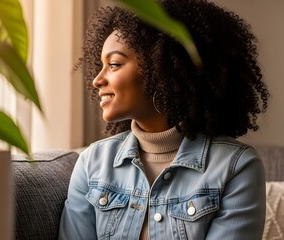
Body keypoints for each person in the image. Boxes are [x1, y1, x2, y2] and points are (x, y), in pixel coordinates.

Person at [59, 0, 270, 239]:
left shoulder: (236, 167)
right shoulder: (92, 164)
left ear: (160, 70)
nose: (98, 79)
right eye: (101, 66)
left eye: (114, 64)